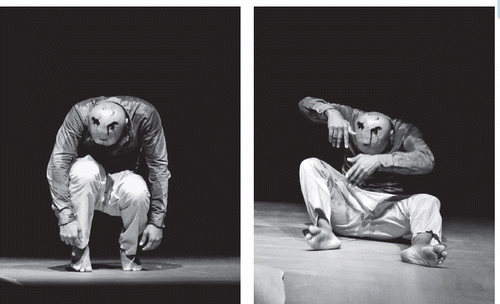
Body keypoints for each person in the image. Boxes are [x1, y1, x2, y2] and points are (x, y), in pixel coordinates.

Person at [298, 96, 447, 267]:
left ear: (390, 136)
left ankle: (419, 247)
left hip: (388, 214)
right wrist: (331, 113)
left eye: (375, 134)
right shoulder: (349, 116)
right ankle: (325, 231)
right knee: (310, 165)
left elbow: (426, 160)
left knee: (428, 201)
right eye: (361, 133)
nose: (367, 141)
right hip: (347, 206)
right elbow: (305, 103)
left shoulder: (403, 131)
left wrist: (378, 160)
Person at [47, 96, 170, 272]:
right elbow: (58, 163)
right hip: (86, 183)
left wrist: (157, 221)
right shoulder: (79, 114)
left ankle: (129, 251)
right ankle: (80, 248)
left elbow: (158, 167)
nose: (104, 142)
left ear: (126, 124)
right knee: (85, 171)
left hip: (122, 182)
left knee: (137, 191)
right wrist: (65, 217)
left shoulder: (145, 115)